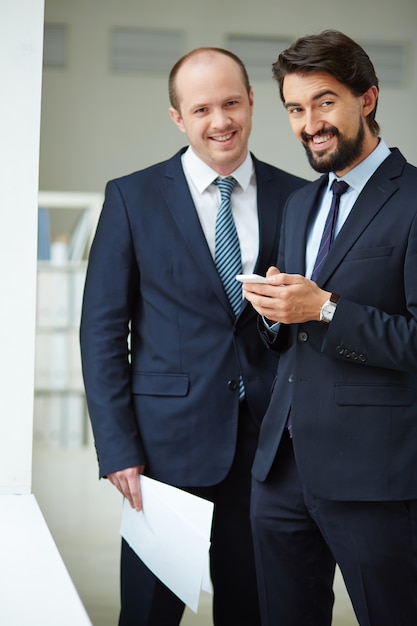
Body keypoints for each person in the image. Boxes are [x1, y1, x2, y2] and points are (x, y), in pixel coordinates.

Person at [80, 47, 306, 626]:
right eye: (202, 108)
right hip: (163, 454)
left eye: (232, 103)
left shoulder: (298, 198)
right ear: (178, 117)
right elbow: (102, 331)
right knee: (152, 614)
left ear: (253, 101)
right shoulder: (132, 198)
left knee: (254, 608)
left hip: (269, 453)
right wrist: (117, 447)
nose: (221, 121)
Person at [243, 30, 417, 626]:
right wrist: (276, 310)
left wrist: (324, 307)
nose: (309, 123)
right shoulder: (300, 205)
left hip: (373, 476)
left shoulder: (415, 200)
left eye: (324, 102)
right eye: (295, 108)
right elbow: (298, 334)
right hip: (281, 472)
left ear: (366, 99)